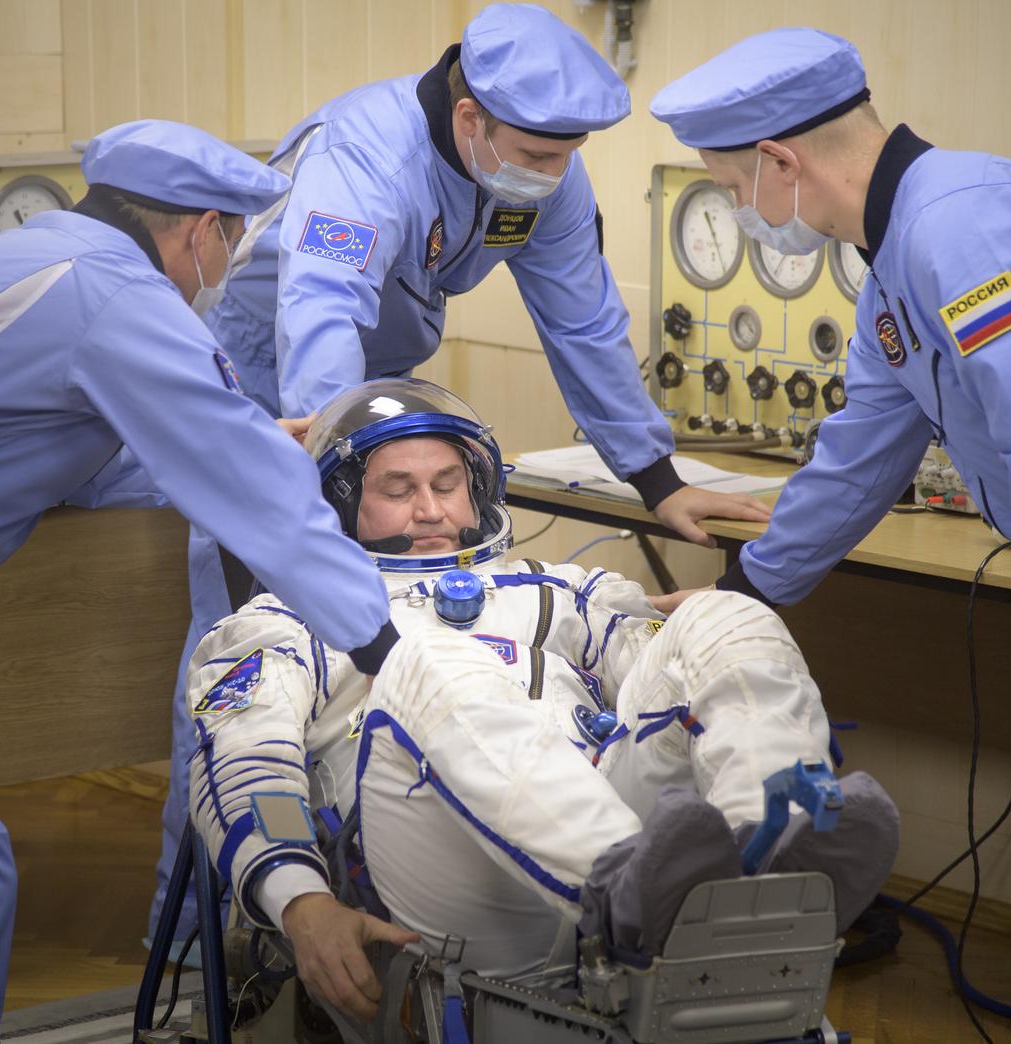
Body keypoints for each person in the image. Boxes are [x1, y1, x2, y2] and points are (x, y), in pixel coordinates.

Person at [150, 0, 772, 945]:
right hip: (281, 419)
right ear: (471, 117)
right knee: (253, 678)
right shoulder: (364, 156)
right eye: (539, 153)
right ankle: (206, 945)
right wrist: (336, 486)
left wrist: (657, 480)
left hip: (385, 417)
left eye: (567, 156)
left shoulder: (537, 172)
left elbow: (585, 321)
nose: (554, 176)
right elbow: (321, 317)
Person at [648, 28, 1011, 1041]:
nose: (739, 213)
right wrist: (741, 596)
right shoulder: (892, 255)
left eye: (725, 186)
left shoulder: (958, 232)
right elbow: (863, 446)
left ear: (779, 163)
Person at [0, 119, 400, 1042]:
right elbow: (252, 487)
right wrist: (388, 647)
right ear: (201, 229)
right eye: (234, 242)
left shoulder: (40, 255)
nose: (228, 264)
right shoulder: (119, 293)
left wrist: (233, 444)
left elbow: (69, 449)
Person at [182, 378, 898, 1021]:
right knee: (423, 662)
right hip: (449, 890)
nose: (432, 509)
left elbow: (672, 673)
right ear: (339, 505)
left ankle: (773, 851)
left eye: (449, 483)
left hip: (624, 848)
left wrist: (690, 637)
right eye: (398, 489)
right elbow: (249, 768)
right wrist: (301, 904)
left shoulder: (561, 590)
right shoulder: (287, 620)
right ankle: (622, 882)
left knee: (724, 618)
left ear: (479, 488)